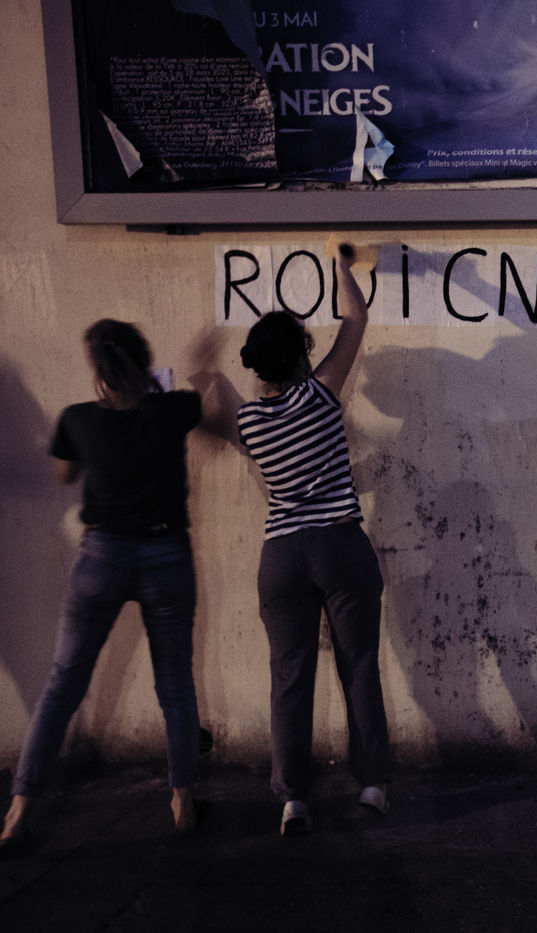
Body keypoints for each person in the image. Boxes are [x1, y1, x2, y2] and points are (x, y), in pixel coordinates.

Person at [1, 320, 203, 858]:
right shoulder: (173, 409)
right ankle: (183, 800)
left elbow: (64, 476)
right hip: (166, 553)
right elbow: (202, 406)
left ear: (98, 370)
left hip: (102, 556)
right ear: (144, 362)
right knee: (175, 684)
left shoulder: (77, 419)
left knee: (63, 685)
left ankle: (18, 812)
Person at [236, 242, 390, 836]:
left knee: (290, 676)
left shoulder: (250, 421)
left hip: (281, 555)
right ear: (302, 354)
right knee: (359, 666)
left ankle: (293, 800)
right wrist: (341, 264)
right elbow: (356, 318)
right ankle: (371, 785)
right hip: (338, 546)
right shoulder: (320, 396)